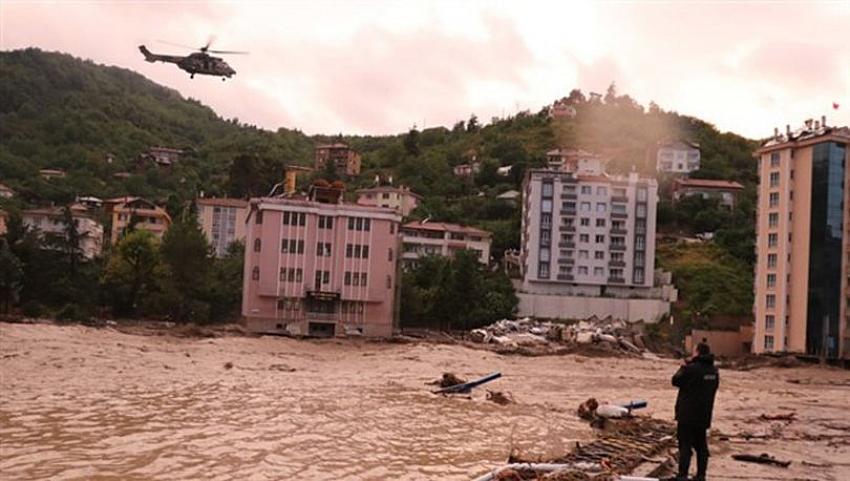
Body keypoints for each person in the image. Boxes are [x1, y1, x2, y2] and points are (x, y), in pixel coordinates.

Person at [672, 341, 719, 481]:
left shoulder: (691, 368)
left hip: (687, 414)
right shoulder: (714, 371)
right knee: (701, 447)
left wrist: (684, 366)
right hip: (704, 414)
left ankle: (682, 475)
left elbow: (675, 381)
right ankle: (701, 475)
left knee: (685, 445)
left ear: (697, 352)